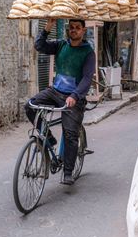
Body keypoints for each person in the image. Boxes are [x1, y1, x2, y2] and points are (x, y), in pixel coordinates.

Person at [25, 19, 96, 185]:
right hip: (55, 92)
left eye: (78, 28)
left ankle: (68, 172)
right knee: (30, 106)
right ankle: (48, 138)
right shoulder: (61, 45)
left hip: (73, 98)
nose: (74, 30)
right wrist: (48, 26)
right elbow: (39, 46)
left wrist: (75, 96)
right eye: (71, 28)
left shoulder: (88, 53)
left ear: (83, 30)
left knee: (70, 134)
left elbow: (86, 79)